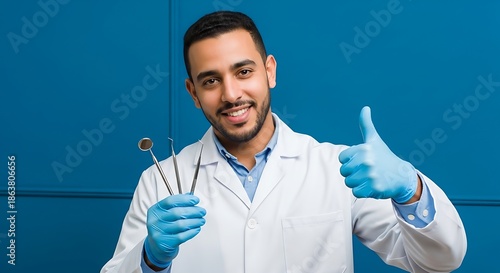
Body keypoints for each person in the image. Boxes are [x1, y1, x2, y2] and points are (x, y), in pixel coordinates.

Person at [101, 11, 467, 273]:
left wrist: (410, 189)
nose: (231, 94)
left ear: (269, 71)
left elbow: (438, 262)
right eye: (210, 81)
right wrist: (150, 259)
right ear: (193, 92)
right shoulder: (160, 181)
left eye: (243, 71)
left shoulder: (336, 169)